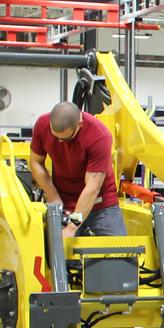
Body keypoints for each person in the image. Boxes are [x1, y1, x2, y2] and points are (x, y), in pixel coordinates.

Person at [29, 101, 124, 239]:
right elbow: (36, 162)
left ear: (79, 124)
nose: (60, 142)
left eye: (66, 138)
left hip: (99, 204)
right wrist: (52, 194)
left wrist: (72, 228)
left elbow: (92, 188)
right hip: (64, 201)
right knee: (56, 248)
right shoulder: (42, 124)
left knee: (119, 249)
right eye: (55, 137)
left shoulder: (99, 135)